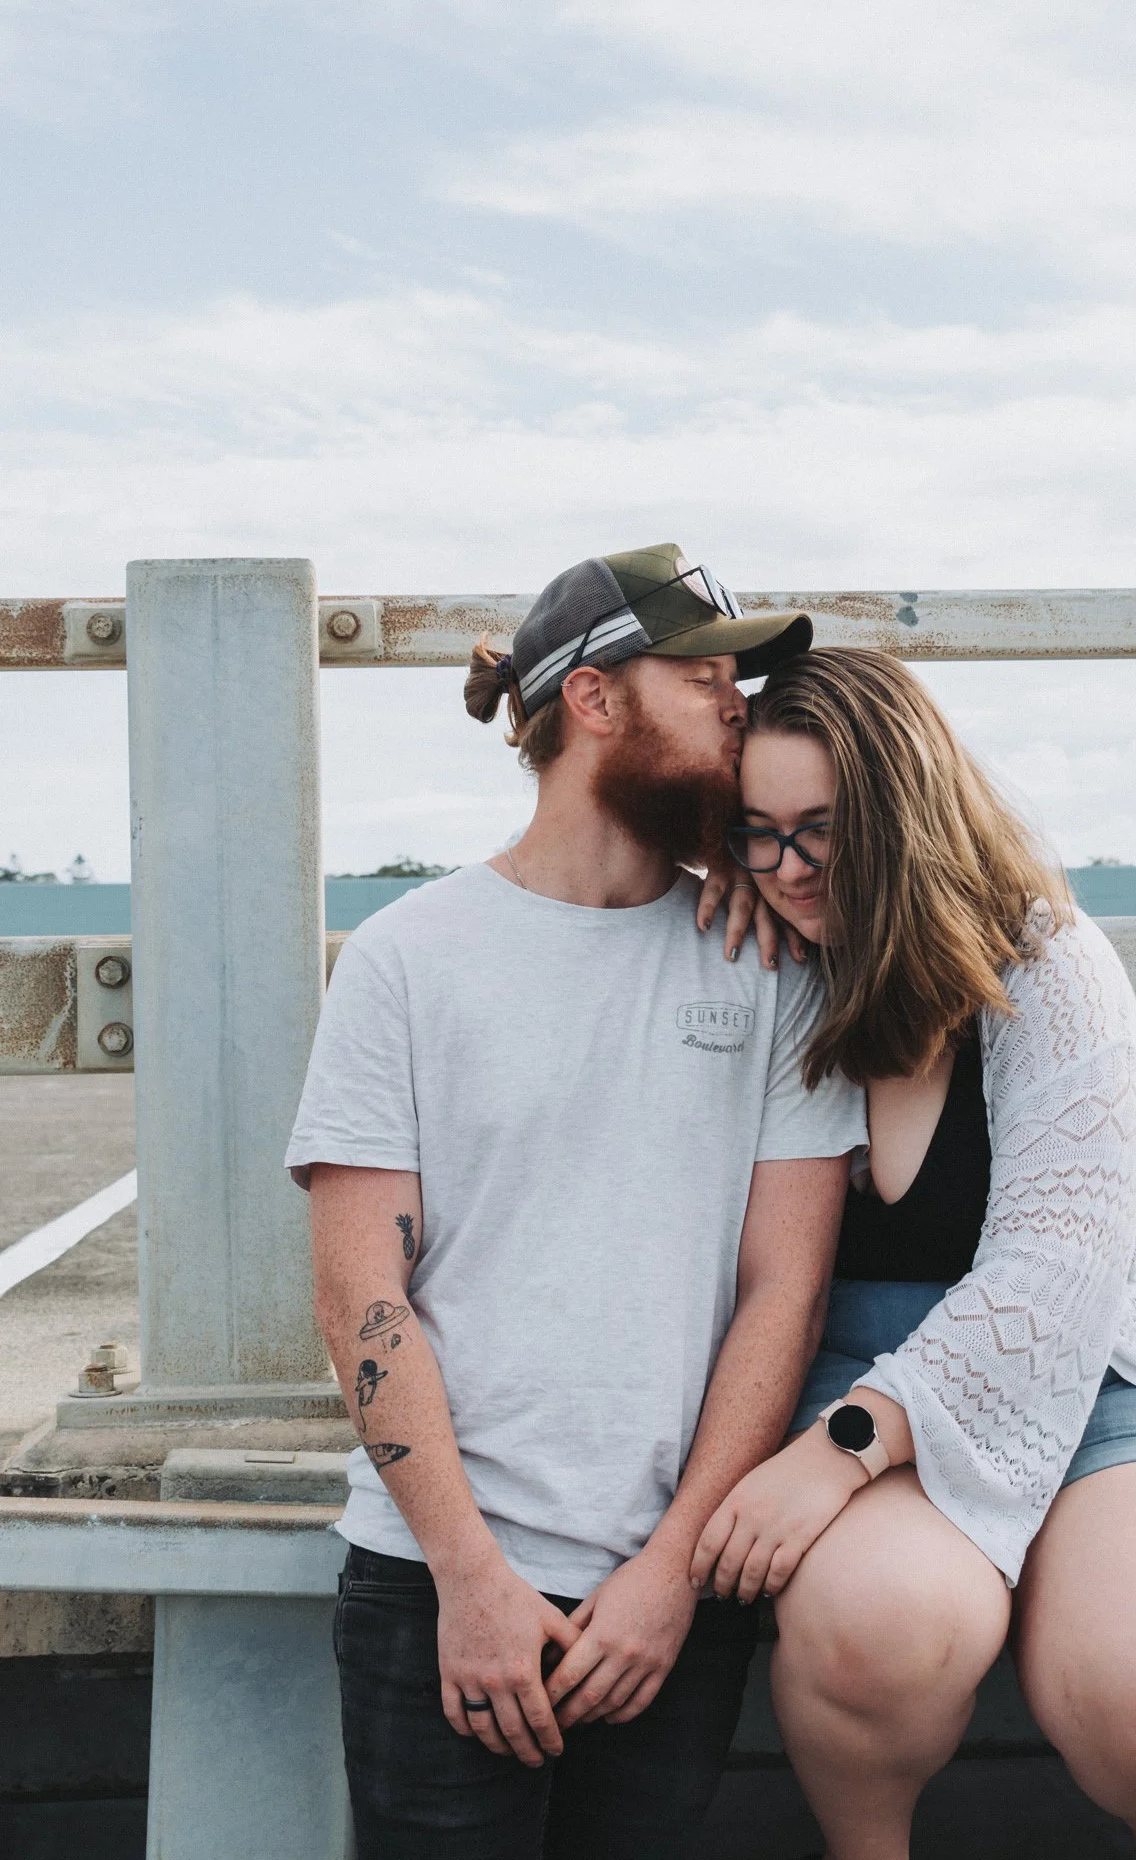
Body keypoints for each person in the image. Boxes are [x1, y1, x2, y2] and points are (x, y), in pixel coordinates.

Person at [286, 544, 866, 1860]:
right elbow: (358, 1293)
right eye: (703, 676)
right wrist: (467, 1574)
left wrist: (671, 1574)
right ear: (595, 701)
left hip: (670, 1591)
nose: (738, 707)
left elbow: (785, 1288)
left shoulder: (769, 961)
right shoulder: (404, 961)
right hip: (433, 1579)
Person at [692, 646, 1136, 1860]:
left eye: (821, 833)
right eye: (757, 832)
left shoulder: (1046, 964)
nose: (789, 870)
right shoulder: (760, 957)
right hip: (849, 1352)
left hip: (1097, 1357)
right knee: (873, 1628)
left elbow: (1062, 1268)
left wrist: (841, 1449)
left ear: (906, 817)